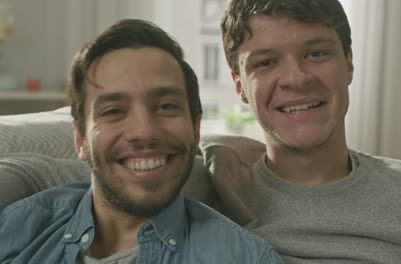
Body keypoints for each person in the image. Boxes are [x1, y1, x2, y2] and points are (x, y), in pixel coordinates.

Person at [185, 0, 401, 263]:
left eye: (316, 53)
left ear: (348, 63)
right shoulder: (200, 189)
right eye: (265, 63)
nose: (296, 78)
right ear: (239, 85)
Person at [0, 19, 284, 264]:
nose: (144, 131)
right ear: (80, 137)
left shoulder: (244, 257)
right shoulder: (19, 229)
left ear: (195, 128)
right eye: (113, 111)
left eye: (166, 106)